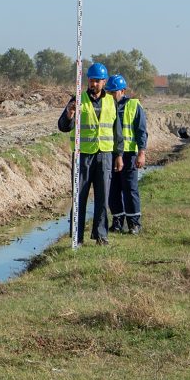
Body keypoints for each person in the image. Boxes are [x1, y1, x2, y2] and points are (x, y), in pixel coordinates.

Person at [58, 62, 124, 245]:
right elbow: (63, 126)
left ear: (104, 82)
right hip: (83, 156)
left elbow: (116, 131)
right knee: (79, 197)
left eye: (98, 81)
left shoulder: (111, 101)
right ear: (87, 80)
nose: (94, 84)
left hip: (105, 155)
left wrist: (118, 155)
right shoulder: (77, 99)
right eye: (91, 80)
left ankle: (101, 235)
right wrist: (69, 114)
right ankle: (76, 238)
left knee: (103, 198)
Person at [105, 74, 148, 234]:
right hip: (110, 152)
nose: (110, 95)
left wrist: (141, 153)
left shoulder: (134, 106)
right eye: (108, 92)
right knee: (112, 189)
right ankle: (117, 221)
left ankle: (134, 223)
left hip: (129, 154)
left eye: (113, 92)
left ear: (123, 91)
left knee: (130, 188)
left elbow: (141, 131)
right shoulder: (106, 105)